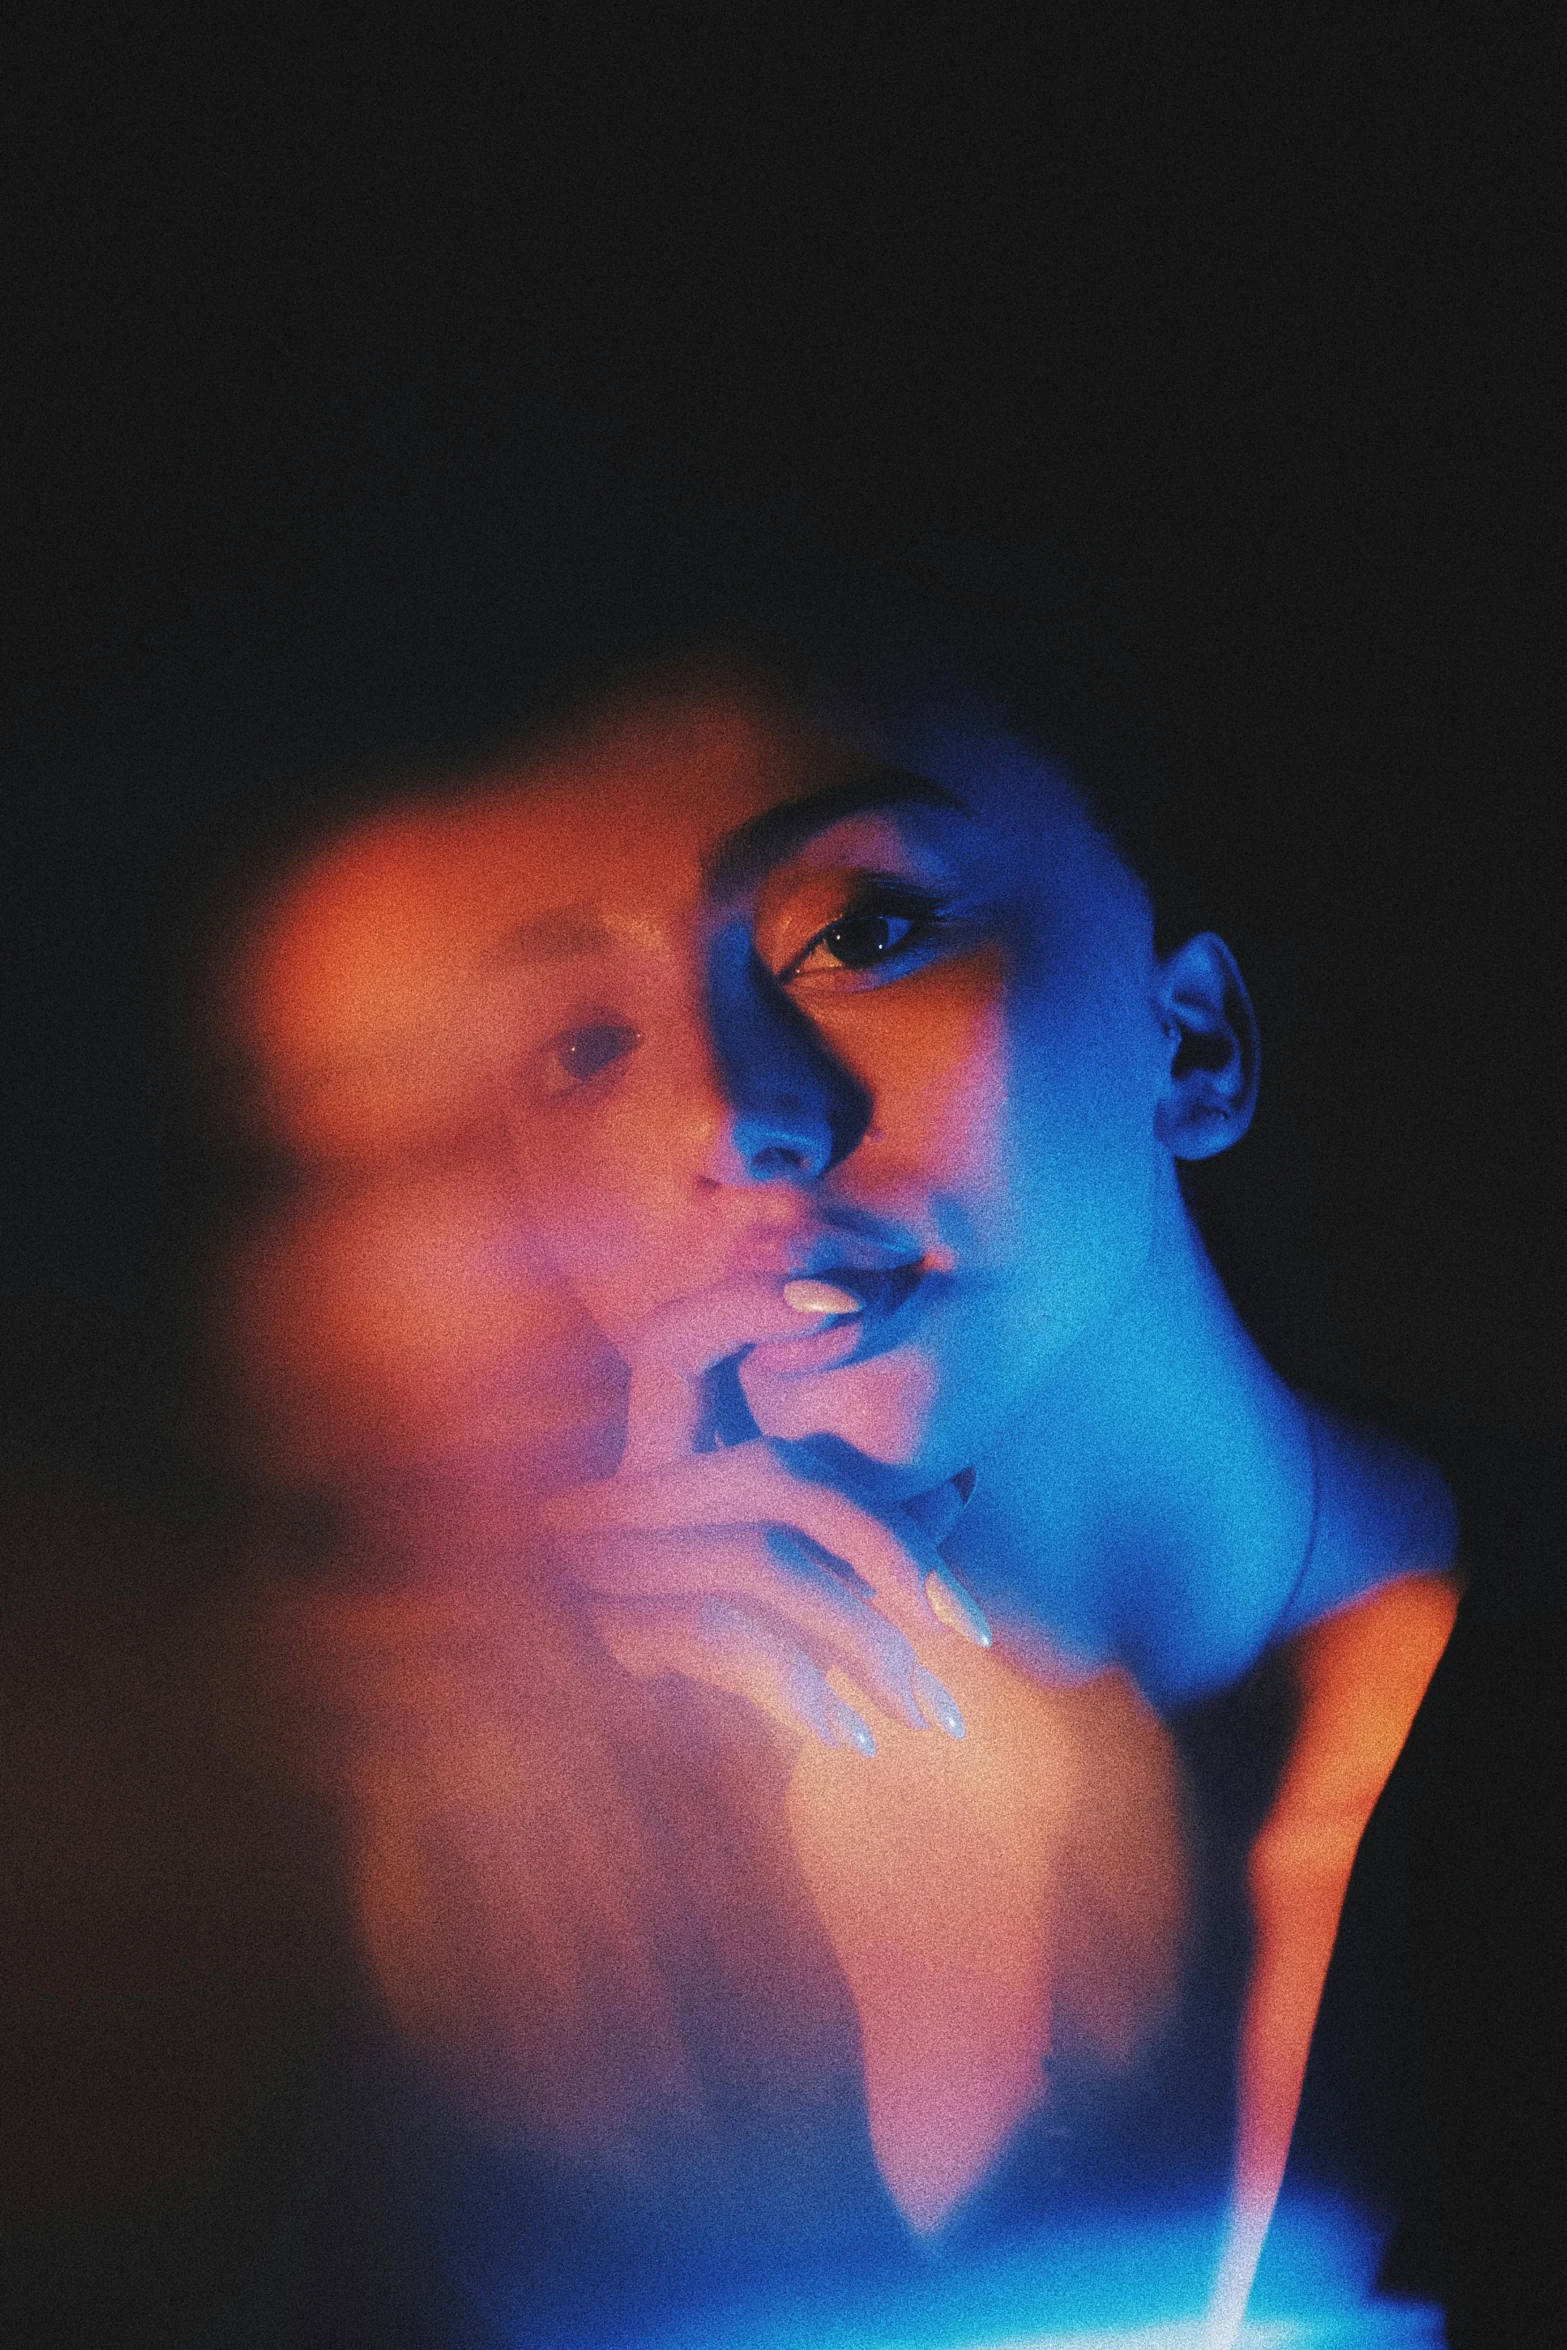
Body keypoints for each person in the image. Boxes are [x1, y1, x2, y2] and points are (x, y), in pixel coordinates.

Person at [189, 512, 1478, 2350]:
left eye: (857, 928)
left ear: (1190, 1040)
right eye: (582, 1044)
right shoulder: (525, 1926)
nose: (738, 1118)